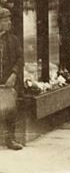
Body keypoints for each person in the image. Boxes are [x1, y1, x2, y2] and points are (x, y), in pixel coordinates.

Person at [0, 8, 23, 150]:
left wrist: (14, 74)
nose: (9, 22)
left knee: (10, 110)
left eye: (9, 19)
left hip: (7, 80)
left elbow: (20, 59)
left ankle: (11, 139)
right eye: (5, 20)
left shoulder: (13, 40)